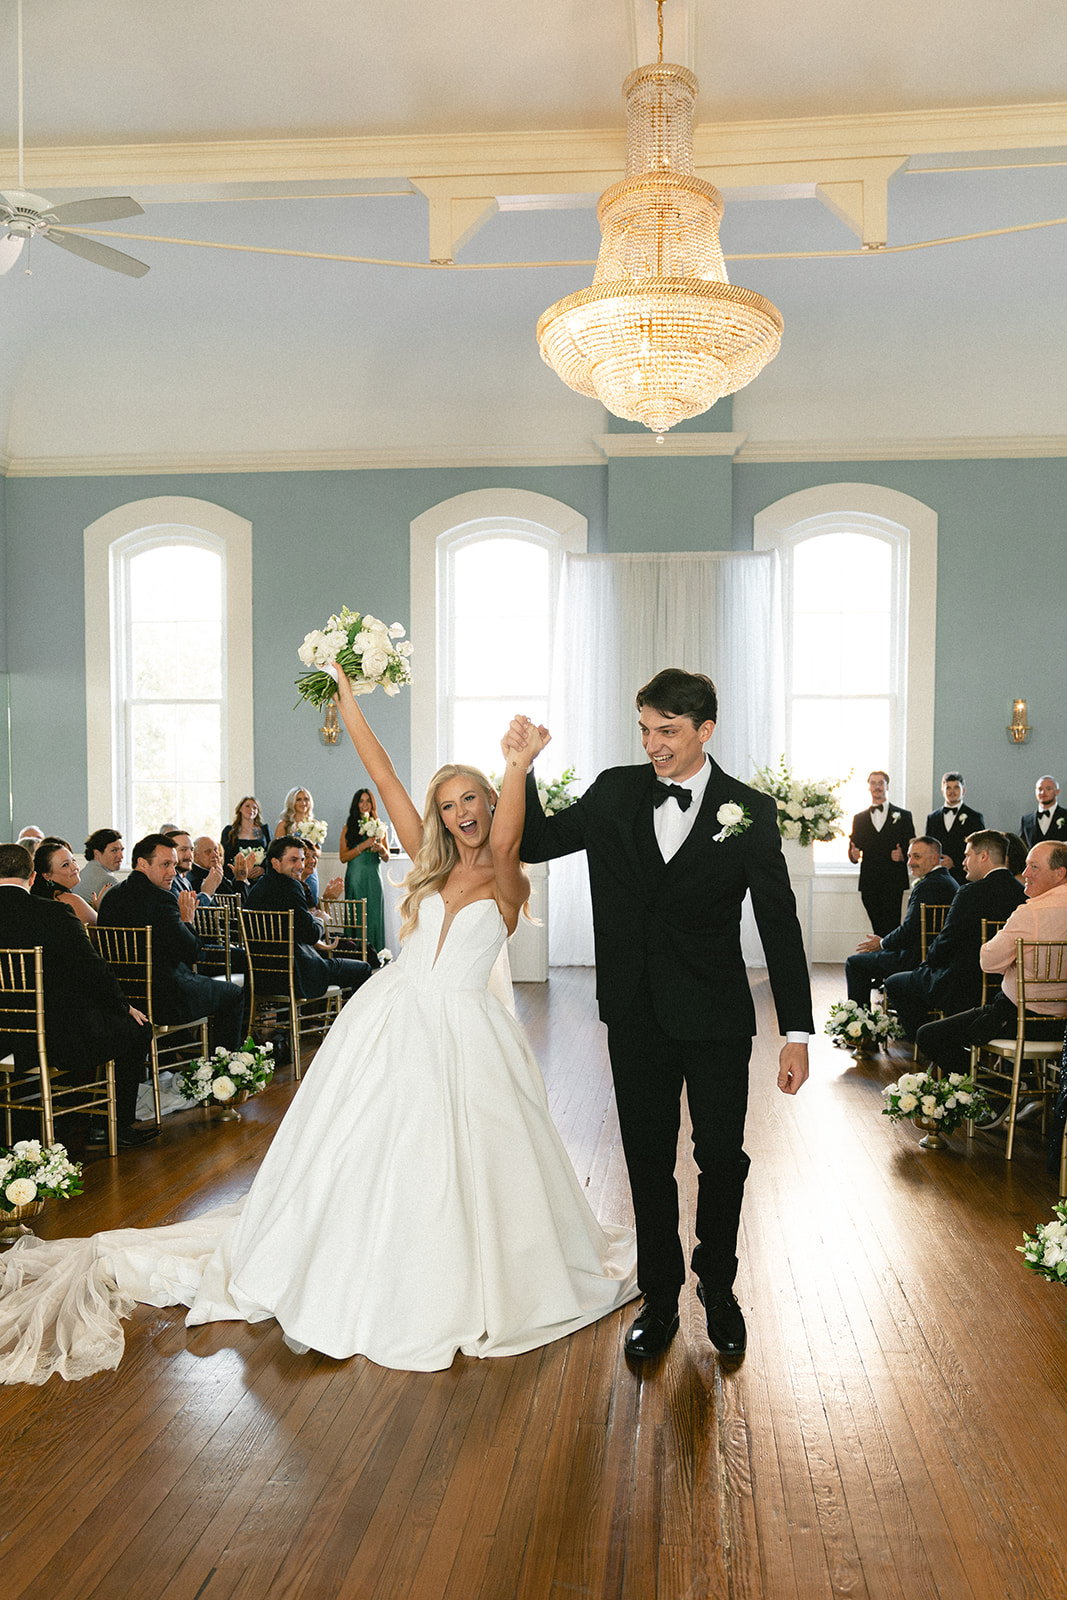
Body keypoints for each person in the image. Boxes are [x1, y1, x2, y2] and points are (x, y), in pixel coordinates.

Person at [0, 686, 636, 1384]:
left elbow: (511, 830)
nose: (462, 813)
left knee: (463, 1156)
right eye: (449, 803)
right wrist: (344, 690)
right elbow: (385, 772)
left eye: (472, 800)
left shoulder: (508, 877)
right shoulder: (426, 861)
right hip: (392, 1023)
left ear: (490, 805)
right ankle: (350, 1255)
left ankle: (455, 1269)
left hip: (467, 1034)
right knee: (363, 1149)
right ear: (440, 814)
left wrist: (516, 763)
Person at [515, 667, 812, 1362]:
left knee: (721, 1159)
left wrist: (794, 1032)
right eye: (644, 729)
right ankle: (660, 1296)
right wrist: (522, 766)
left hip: (714, 1016)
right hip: (636, 1013)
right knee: (647, 1163)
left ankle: (717, 1284)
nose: (653, 744)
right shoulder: (616, 791)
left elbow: (779, 925)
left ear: (705, 730)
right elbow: (534, 842)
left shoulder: (749, 811)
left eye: (667, 732)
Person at [0, 843, 155, 1148]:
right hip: (50, 1036)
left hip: (4, 1036)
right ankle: (111, 1126)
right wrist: (122, 1006)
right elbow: (92, 968)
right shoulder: (53, 912)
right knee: (139, 1028)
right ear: (32, 877)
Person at [916, 840, 1067, 1076]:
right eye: (1026, 866)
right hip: (1061, 1026)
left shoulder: (1031, 913)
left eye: (1034, 867)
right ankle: (1025, 1087)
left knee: (928, 1035)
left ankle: (995, 1091)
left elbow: (988, 962)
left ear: (1060, 873)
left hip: (1019, 1020)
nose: (1025, 873)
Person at [96, 833, 245, 1051]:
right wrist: (187, 919)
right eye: (165, 864)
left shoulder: (111, 896)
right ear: (142, 863)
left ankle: (180, 1058)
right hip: (165, 999)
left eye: (173, 865)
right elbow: (193, 952)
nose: (173, 873)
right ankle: (223, 1069)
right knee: (233, 994)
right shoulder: (161, 900)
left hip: (124, 997)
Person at [883, 830, 1025, 1042]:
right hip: (1003, 986)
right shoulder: (1022, 893)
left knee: (895, 983)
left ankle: (928, 1042)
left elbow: (945, 943)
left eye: (968, 856)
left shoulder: (969, 893)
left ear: (983, 856)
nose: (964, 863)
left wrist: (927, 964)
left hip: (961, 984)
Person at [246, 837, 368, 999]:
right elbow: (310, 935)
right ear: (275, 863)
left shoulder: (258, 888)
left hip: (262, 978)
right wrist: (320, 919)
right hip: (297, 976)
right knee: (364, 968)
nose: (300, 866)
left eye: (302, 860)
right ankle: (355, 1023)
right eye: (294, 860)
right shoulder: (291, 886)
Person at [844, 836, 956, 1008]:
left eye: (916, 857)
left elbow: (909, 931)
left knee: (855, 963)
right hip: (932, 954)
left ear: (934, 858)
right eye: (910, 856)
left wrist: (881, 943)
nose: (910, 862)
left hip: (917, 958)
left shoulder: (928, 886)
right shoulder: (948, 881)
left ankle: (860, 1024)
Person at [848, 772, 914, 937]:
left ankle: (889, 959)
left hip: (893, 880)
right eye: (873, 783)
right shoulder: (859, 818)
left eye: (881, 783)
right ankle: (881, 958)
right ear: (869, 786)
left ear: (887, 786)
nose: (877, 787)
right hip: (869, 881)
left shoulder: (904, 816)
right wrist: (853, 856)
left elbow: (913, 847)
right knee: (877, 925)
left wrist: (903, 856)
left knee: (891, 925)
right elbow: (853, 849)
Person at [339, 787, 389, 950]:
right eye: (361, 801)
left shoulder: (380, 827)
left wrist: (380, 849)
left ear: (373, 804)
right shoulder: (348, 828)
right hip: (356, 878)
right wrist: (363, 846)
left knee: (374, 916)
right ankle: (355, 953)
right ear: (356, 804)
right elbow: (343, 857)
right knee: (356, 916)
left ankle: (376, 953)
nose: (365, 804)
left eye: (368, 801)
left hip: (373, 878)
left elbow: (386, 857)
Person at [924, 772, 984, 885]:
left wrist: (955, 862)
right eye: (948, 788)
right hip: (938, 878)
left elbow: (979, 849)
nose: (952, 791)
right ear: (942, 790)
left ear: (963, 790)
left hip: (964, 878)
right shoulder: (932, 818)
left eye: (956, 787)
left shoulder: (974, 817)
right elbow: (928, 848)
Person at [30, 840, 99, 928]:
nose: (75, 867)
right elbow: (100, 935)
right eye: (65, 865)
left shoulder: (37, 899)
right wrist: (99, 907)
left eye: (73, 860)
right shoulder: (72, 901)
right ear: (47, 875)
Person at [275, 787, 321, 901]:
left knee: (311, 900)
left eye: (306, 799)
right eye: (299, 799)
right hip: (291, 870)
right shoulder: (284, 824)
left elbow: (319, 852)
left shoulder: (315, 823)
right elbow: (277, 850)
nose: (303, 803)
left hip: (310, 870)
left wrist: (311, 845)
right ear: (292, 802)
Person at [220, 797, 269, 878]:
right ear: (240, 809)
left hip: (260, 877)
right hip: (236, 876)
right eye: (247, 806)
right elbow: (225, 856)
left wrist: (263, 868)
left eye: (255, 808)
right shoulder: (229, 831)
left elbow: (270, 853)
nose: (251, 810)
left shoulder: (264, 830)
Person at [72, 828, 123, 905]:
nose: (121, 856)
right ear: (96, 853)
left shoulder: (84, 871)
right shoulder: (109, 881)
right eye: (114, 850)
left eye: (121, 850)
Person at [1020, 776, 1067, 847]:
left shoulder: (1065, 815)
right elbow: (1021, 847)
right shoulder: (1026, 820)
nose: (1043, 792)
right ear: (1035, 792)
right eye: (1040, 789)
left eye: (1048, 789)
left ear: (1057, 791)